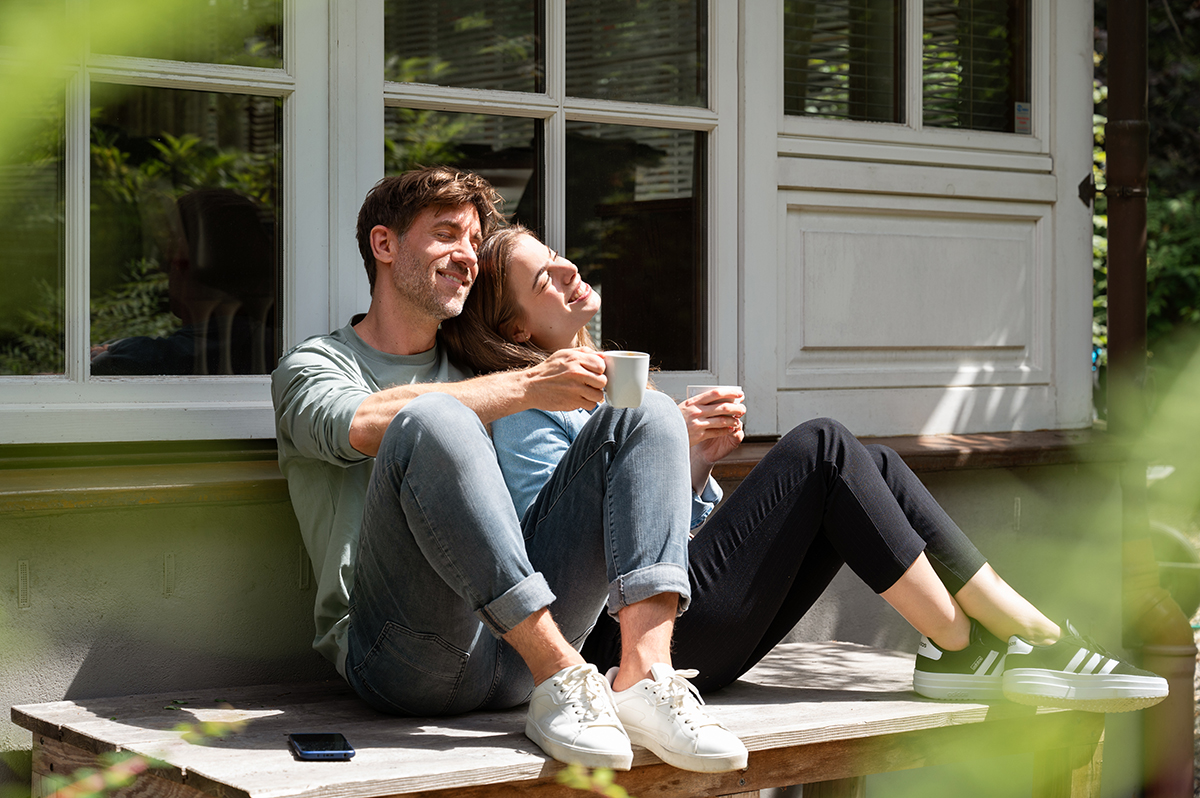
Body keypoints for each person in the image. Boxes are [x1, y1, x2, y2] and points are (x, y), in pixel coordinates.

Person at [439, 223, 1170, 714]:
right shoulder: (528, 412)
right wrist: (671, 449)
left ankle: (990, 645)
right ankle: (1010, 642)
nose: (569, 269)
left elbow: (682, 534)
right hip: (622, 648)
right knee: (821, 446)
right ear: (517, 332)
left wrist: (690, 460)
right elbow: (567, 566)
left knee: (870, 460)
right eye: (544, 279)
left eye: (561, 257)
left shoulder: (626, 388)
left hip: (685, 619)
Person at [270, 167, 748, 774]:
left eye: (473, 241)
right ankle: (565, 673)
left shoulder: (479, 371)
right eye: (447, 234)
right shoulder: (314, 364)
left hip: (517, 650)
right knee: (434, 418)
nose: (468, 256)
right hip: (400, 656)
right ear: (384, 245)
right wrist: (523, 386)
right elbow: (357, 425)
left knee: (646, 410)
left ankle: (644, 676)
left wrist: (685, 453)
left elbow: (543, 517)